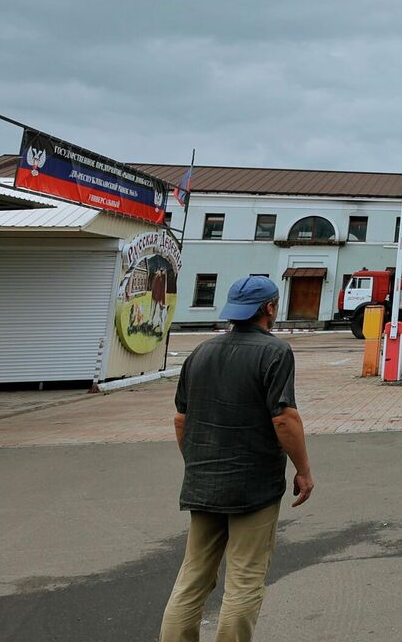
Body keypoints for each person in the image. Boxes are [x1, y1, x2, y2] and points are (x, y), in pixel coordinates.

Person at [159, 275, 313, 642]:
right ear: (270, 308)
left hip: (203, 483)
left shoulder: (201, 352)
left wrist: (198, 465)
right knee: (245, 579)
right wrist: (303, 470)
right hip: (252, 486)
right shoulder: (275, 352)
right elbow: (283, 418)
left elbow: (182, 419)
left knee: (193, 576)